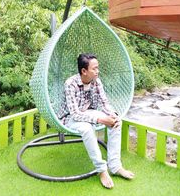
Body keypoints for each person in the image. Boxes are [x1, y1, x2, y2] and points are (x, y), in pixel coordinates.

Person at [57, 53, 134, 189]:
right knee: (87, 128)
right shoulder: (70, 84)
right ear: (84, 71)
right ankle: (102, 170)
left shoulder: (96, 81)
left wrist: (112, 115)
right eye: (95, 69)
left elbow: (104, 103)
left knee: (117, 122)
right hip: (68, 118)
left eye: (98, 68)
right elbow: (75, 114)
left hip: (88, 113)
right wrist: (100, 119)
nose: (98, 71)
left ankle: (115, 166)